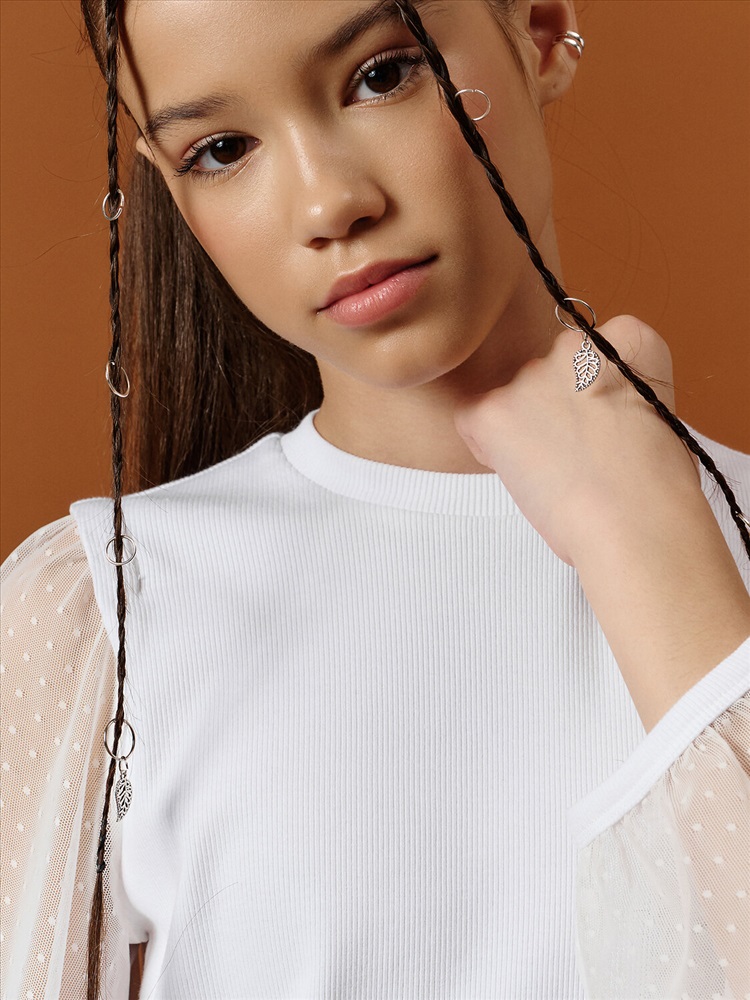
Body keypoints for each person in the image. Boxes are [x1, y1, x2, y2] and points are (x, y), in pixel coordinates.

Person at [1, 1, 748, 998]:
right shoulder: (98, 616)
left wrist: (647, 541)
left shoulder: (713, 534)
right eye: (222, 150)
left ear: (538, 29)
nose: (328, 204)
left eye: (383, 74)